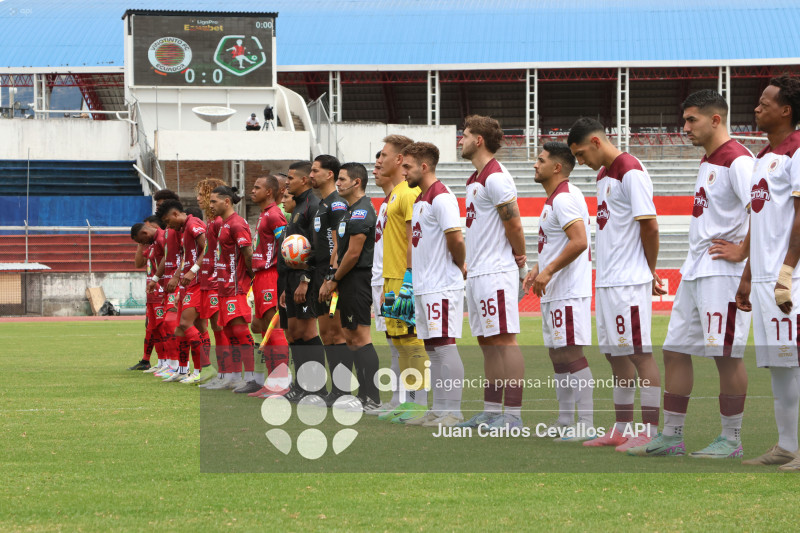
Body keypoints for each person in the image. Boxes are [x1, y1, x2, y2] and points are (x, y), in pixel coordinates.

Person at [629, 90, 753, 458]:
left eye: (691, 120)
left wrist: (742, 252)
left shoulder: (739, 161)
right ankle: (672, 436)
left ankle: (731, 440)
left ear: (716, 119)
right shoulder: (709, 161)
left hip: (723, 272)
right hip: (696, 267)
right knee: (675, 350)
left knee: (726, 354)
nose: (684, 127)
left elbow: (762, 212)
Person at [568, 117, 664, 452]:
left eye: (581, 154)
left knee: (639, 354)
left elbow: (649, 226)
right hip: (607, 281)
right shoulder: (603, 175)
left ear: (596, 141)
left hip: (629, 282)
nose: (580, 162)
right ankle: (621, 428)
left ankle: (650, 432)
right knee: (614, 355)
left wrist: (648, 271)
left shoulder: (630, 169)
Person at [737, 75, 800, 471]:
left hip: (787, 277)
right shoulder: (763, 157)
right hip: (762, 278)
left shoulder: (797, 152)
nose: (757, 108)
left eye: (765, 102)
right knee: (778, 365)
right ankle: (787, 445)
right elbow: (758, 222)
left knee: (795, 361)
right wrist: (747, 274)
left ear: (786, 110)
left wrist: (788, 269)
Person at [455, 115, 527, 430]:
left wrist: (521, 260)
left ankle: (513, 415)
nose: (461, 139)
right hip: (479, 273)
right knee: (486, 342)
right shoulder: (475, 179)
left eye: (465, 134)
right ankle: (490, 409)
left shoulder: (496, 177)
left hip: (497, 272)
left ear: (479, 140)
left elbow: (514, 222)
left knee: (504, 340)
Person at [522, 142, 595, 441]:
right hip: (555, 290)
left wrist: (550, 270)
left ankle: (587, 423)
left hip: (566, 291)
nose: (534, 165)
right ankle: (566, 418)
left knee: (571, 353)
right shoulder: (556, 198)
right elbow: (556, 243)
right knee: (558, 354)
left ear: (556, 167)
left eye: (540, 160)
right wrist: (539, 268)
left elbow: (579, 241)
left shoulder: (563, 198)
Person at [400, 142, 467, 428]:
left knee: (445, 345)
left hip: (441, 285)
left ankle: (453, 411)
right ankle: (439, 408)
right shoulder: (420, 200)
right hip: (424, 286)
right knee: (432, 347)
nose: (404, 172)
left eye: (408, 166)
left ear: (423, 166)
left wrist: (459, 265)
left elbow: (456, 238)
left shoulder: (442, 197)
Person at [375, 134, 431, 424]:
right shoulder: (395, 194)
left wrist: (409, 277)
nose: (379, 159)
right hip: (389, 279)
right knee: (398, 342)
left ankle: (419, 403)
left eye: (384, 155)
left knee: (412, 341)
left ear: (399, 159)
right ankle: (405, 401)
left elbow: (413, 239)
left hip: (402, 278)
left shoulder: (408, 193)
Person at [320, 163, 381, 412]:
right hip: (345, 279)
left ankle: (373, 398)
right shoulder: (348, 212)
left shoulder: (362, 212)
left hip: (357, 279)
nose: (338, 183)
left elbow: (354, 254)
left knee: (360, 337)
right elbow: (339, 250)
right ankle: (363, 394)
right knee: (351, 337)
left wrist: (334, 279)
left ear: (357, 183)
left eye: (343, 179)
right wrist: (331, 276)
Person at [154, 200, 217, 384]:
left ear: (175, 214)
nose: (168, 226)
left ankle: (206, 368)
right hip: (188, 283)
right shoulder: (182, 230)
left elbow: (209, 248)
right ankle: (191, 370)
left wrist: (193, 271)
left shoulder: (193, 223)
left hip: (199, 282)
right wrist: (177, 276)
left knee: (186, 324)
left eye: (167, 221)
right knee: (186, 329)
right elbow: (187, 258)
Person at [281, 161, 326, 402]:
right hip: (291, 279)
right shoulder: (297, 207)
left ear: (305, 180)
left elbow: (316, 249)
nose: (287, 182)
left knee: (308, 332)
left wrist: (305, 280)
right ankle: (301, 385)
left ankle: (317, 387)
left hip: (304, 279)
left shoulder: (313, 206)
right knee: (295, 333)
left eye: (290, 178)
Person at [243, 175, 290, 397]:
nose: (252, 191)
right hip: (260, 277)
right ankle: (272, 383)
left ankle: (281, 383)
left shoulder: (274, 215)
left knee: (275, 328)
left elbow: (286, 246)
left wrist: (283, 277)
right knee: (264, 329)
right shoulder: (264, 214)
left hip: (271, 275)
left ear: (269, 192)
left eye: (257, 187)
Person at [309, 155, 351, 405]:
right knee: (326, 334)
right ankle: (335, 389)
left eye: (315, 171)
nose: (311, 175)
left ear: (330, 175)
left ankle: (343, 390)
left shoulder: (337, 204)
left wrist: (331, 277)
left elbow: (339, 244)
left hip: (331, 277)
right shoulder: (322, 204)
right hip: (318, 276)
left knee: (337, 335)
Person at [207, 186, 255, 391]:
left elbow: (249, 254)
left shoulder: (237, 224)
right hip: (224, 286)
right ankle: (234, 377)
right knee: (229, 331)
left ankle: (254, 377)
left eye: (213, 202)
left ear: (226, 202)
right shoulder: (224, 224)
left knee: (240, 331)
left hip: (236, 286)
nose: (210, 206)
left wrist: (252, 281)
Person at [367, 150, 403, 415]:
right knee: (393, 342)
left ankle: (410, 400)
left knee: (405, 342)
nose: (375, 168)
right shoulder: (385, 202)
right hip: (381, 279)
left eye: (381, 162)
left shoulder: (404, 196)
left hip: (396, 279)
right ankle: (397, 399)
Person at [128, 217, 167, 371]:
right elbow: (138, 263)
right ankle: (161, 362)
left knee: (163, 326)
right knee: (152, 327)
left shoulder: (162, 240)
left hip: (160, 289)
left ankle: (171, 363)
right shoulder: (150, 245)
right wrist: (140, 243)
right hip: (151, 290)